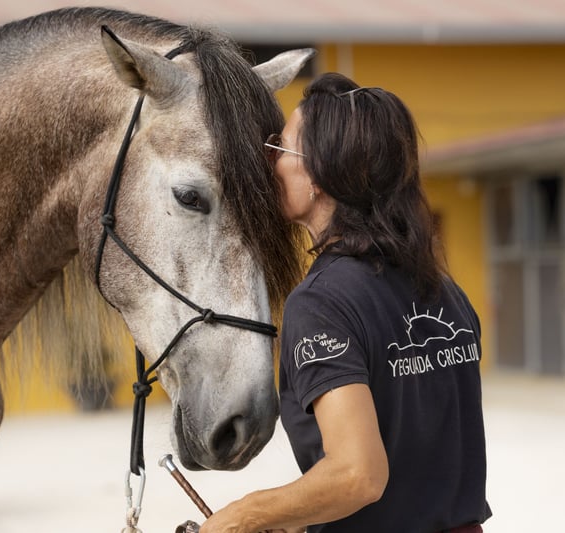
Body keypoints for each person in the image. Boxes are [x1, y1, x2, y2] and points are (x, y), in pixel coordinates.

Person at [199, 72, 491, 533]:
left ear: (319, 173)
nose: (270, 164)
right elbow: (416, 463)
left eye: (281, 148)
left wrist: (243, 516)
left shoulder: (322, 303)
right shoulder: (445, 290)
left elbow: (358, 475)